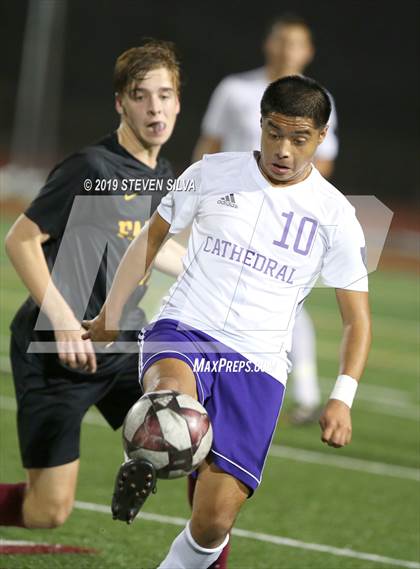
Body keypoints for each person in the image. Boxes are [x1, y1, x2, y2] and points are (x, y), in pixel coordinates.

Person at [84, 75, 371, 569]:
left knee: (213, 522)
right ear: (259, 125)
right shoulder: (210, 173)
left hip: (259, 364)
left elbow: (356, 320)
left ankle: (163, 461)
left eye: (298, 139)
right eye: (273, 133)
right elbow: (150, 242)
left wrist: (341, 397)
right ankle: (151, 447)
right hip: (186, 328)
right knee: (171, 399)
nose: (283, 149)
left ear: (321, 138)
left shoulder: (337, 216)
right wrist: (112, 313)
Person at [0, 39, 185, 529]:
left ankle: (147, 462)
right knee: (47, 512)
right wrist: (61, 321)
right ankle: (141, 457)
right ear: (121, 103)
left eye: (165, 95)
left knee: (198, 440)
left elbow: (146, 243)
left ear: (179, 103)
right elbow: (21, 241)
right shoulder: (93, 168)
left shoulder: (161, 172)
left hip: (122, 343)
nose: (155, 108)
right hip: (56, 353)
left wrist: (215, 269)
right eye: (142, 96)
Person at [194, 14, 339, 426]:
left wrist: (295, 201)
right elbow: (210, 145)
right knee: (200, 286)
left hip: (280, 217)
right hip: (229, 210)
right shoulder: (236, 89)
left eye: (296, 43)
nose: (287, 49)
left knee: (284, 300)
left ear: (307, 52)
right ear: (268, 44)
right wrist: (196, 197)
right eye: (281, 41)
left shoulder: (320, 100)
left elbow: (323, 162)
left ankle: (307, 393)